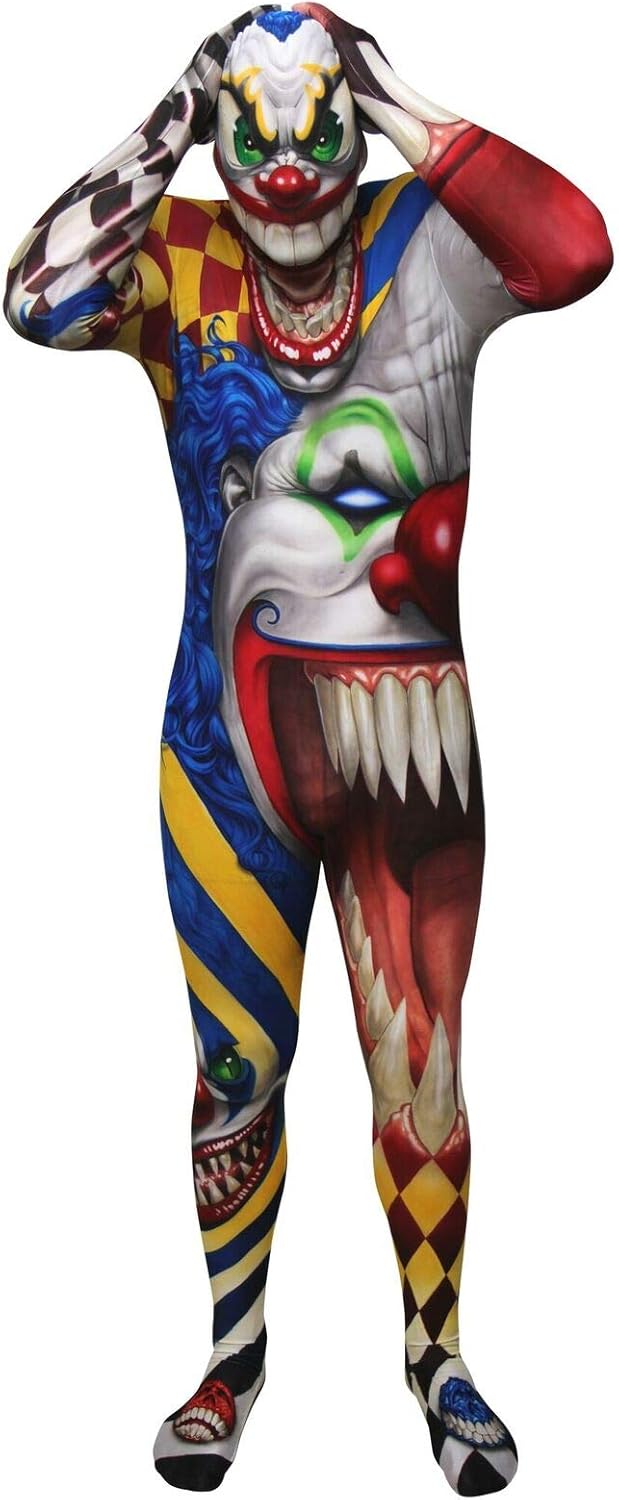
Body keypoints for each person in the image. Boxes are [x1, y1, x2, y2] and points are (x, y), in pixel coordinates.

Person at [3, 4, 613, 1493]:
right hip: (227, 749)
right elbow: (34, 296)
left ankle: (438, 1358)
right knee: (235, 1070)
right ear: (223, 140)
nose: (288, 175)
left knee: (425, 1075)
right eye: (252, 133)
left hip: (415, 749)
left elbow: (578, 250)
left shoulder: (433, 240)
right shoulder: (178, 257)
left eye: (319, 126)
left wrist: (398, 98)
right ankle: (234, 1356)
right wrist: (174, 110)